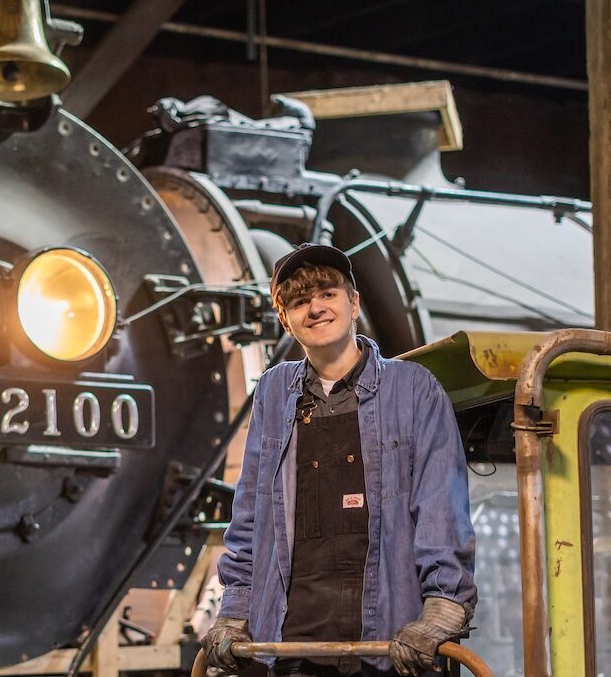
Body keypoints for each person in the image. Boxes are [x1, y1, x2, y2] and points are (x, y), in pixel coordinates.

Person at [201, 244, 476, 677]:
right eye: (298, 301)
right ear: (285, 320)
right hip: (290, 644)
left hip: (387, 642)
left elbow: (440, 506)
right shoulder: (274, 392)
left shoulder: (413, 389)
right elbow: (250, 512)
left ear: (353, 302)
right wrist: (235, 610)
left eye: (327, 294)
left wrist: (441, 611)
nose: (315, 308)